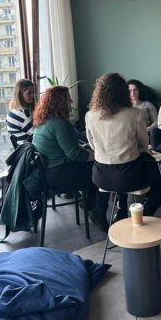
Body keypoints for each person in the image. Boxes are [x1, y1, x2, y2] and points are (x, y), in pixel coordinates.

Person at [86, 73, 161, 223]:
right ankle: (144, 212)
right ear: (123, 92)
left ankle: (115, 210)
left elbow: (92, 145)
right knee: (156, 174)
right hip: (130, 176)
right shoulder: (135, 114)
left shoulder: (90, 115)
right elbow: (143, 145)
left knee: (125, 166)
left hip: (101, 177)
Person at [31, 86, 104, 230]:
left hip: (46, 173)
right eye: (68, 99)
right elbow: (74, 154)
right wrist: (98, 156)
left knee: (91, 165)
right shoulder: (59, 124)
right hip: (58, 175)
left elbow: (70, 145)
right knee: (98, 168)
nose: (71, 101)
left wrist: (87, 150)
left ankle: (89, 203)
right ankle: (97, 211)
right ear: (60, 102)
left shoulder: (43, 121)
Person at [6, 79, 36, 145]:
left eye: (33, 92)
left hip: (22, 147)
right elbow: (38, 135)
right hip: (30, 149)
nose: (32, 95)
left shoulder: (13, 111)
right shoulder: (22, 114)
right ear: (20, 95)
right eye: (28, 93)